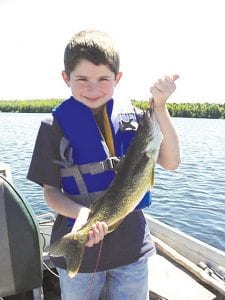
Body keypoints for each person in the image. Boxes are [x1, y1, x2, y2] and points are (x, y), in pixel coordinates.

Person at [27, 29, 180, 300]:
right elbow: (50, 192)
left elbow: (171, 161)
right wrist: (82, 215)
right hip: (81, 242)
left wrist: (160, 107)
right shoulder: (53, 127)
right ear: (66, 78)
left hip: (132, 248)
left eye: (103, 79)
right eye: (82, 79)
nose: (93, 88)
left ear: (117, 79)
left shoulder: (134, 121)